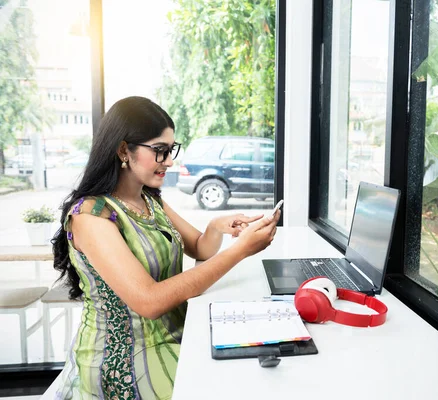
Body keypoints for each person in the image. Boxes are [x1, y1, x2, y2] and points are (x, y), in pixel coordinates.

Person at [51, 96, 280, 399]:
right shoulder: (91, 217)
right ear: (123, 150)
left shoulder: (150, 199)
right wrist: (240, 251)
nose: (170, 161)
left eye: (170, 150)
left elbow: (199, 247)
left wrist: (217, 227)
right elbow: (149, 301)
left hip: (176, 334)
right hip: (127, 361)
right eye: (160, 151)